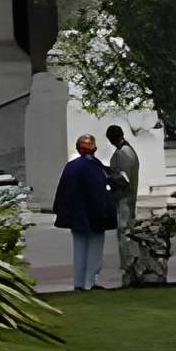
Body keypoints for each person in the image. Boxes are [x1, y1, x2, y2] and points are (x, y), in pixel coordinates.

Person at [51, 132, 115, 292]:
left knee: (79, 248)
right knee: (94, 248)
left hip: (77, 216)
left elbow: (62, 192)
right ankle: (90, 281)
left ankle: (79, 282)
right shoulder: (95, 167)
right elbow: (99, 193)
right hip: (94, 215)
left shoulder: (71, 166)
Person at [105, 124, 140, 270]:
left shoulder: (123, 153)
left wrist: (107, 176)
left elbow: (123, 179)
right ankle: (129, 261)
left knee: (124, 230)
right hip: (127, 195)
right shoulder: (127, 150)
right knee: (126, 229)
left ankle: (129, 262)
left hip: (124, 196)